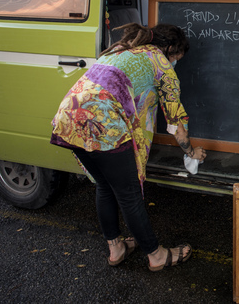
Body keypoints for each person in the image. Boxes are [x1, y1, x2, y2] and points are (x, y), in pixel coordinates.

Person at [50, 23, 206, 270]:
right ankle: (156, 255)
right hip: (103, 127)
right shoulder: (161, 65)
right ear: (170, 48)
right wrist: (191, 152)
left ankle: (116, 248)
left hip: (69, 120)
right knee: (129, 195)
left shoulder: (121, 50)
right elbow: (176, 123)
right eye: (177, 57)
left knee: (105, 186)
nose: (176, 63)